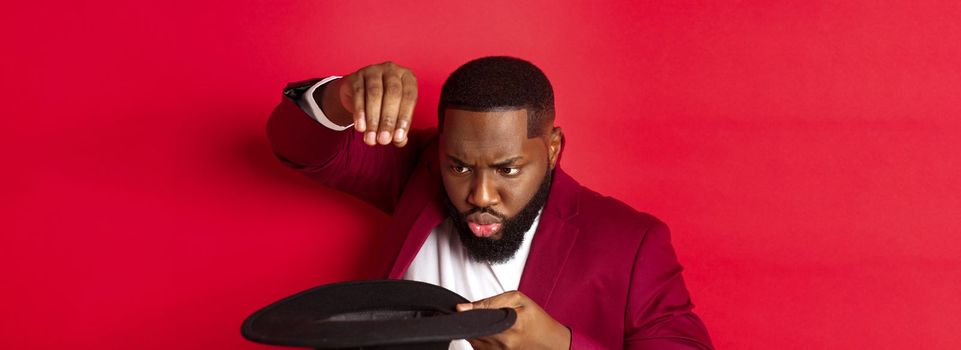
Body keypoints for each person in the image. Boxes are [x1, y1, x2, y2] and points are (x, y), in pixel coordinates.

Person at [266, 57, 713, 349]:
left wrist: (560, 345)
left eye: (507, 170)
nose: (479, 195)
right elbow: (298, 147)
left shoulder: (632, 241)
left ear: (553, 148)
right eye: (459, 167)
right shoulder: (419, 174)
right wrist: (340, 98)